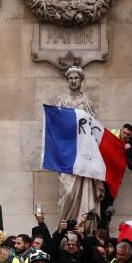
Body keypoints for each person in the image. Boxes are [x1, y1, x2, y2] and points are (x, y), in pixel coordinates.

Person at [53, 66, 104, 231]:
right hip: (67, 152)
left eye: (76, 78)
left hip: (83, 153)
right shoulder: (61, 101)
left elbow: (94, 127)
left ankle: (82, 226)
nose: (73, 81)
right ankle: (63, 227)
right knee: (67, 192)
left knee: (84, 190)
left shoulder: (87, 102)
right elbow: (56, 126)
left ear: (81, 80)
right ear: (67, 80)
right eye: (70, 78)